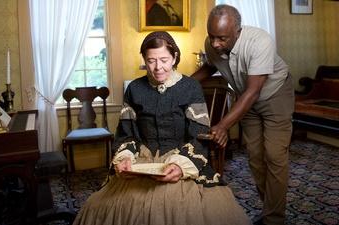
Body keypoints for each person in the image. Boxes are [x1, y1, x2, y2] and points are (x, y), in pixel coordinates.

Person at [73, 31, 251, 225]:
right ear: (144, 59)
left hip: (181, 159)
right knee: (104, 205)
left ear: (175, 57)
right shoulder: (134, 88)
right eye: (151, 61)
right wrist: (124, 158)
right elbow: (126, 134)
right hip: (142, 162)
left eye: (164, 59)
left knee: (181, 205)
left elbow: (198, 135)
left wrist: (180, 166)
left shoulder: (191, 87)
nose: (158, 67)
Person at [191, 5, 294, 225]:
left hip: (275, 95)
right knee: (256, 159)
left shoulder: (260, 41)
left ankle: (274, 220)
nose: (215, 44)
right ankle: (271, 210)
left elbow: (253, 91)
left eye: (222, 38)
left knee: (274, 156)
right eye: (212, 37)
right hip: (247, 100)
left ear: (238, 31)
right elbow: (210, 66)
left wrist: (222, 126)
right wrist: (184, 84)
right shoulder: (212, 44)